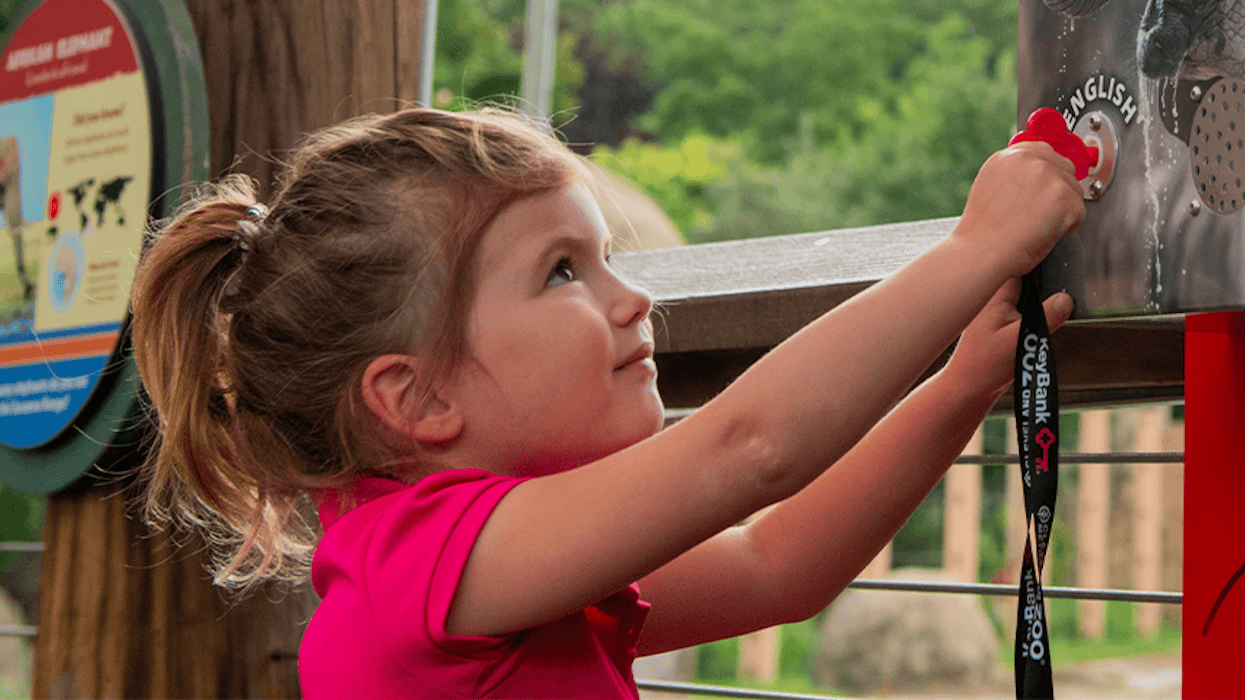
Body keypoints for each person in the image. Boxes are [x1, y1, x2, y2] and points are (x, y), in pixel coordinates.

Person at [128, 107, 1083, 698]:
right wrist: (971, 251)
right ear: (413, 397)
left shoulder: (495, 571)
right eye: (560, 274)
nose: (635, 299)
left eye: (606, 260)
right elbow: (745, 450)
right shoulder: (419, 564)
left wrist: (959, 386)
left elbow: (775, 564)